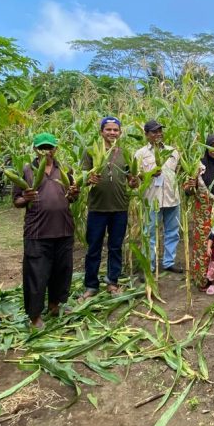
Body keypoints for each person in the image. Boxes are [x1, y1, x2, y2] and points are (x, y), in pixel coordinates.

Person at [12, 133, 79, 329]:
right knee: (37, 274)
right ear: (35, 150)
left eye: (49, 147)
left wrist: (74, 194)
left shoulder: (65, 170)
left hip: (64, 229)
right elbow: (16, 201)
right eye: (42, 148)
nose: (46, 151)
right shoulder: (26, 171)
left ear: (55, 149)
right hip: (38, 232)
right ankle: (34, 315)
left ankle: (54, 305)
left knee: (62, 272)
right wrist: (26, 198)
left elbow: (72, 198)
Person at [81, 116, 139, 298]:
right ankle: (91, 285)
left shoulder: (125, 153)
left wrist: (134, 181)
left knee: (115, 247)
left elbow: (132, 182)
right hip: (97, 208)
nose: (112, 133)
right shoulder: (90, 151)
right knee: (94, 248)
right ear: (101, 132)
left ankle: (112, 281)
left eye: (116, 130)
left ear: (120, 133)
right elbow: (81, 178)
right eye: (109, 130)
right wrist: (88, 179)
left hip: (120, 207)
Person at [184, 134, 214, 289]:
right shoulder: (199, 167)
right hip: (202, 217)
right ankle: (203, 280)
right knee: (203, 246)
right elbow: (188, 191)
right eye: (211, 146)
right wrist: (190, 187)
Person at [135, 119, 182, 274]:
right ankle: (150, 265)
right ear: (146, 134)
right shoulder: (140, 154)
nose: (158, 134)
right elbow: (136, 177)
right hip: (152, 199)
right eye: (154, 131)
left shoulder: (173, 151)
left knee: (173, 231)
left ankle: (169, 262)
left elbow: (179, 173)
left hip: (172, 198)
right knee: (150, 233)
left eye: (160, 131)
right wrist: (149, 174)